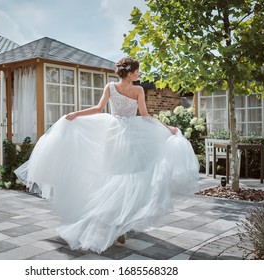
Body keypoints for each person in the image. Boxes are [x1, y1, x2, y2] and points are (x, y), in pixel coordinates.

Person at [15, 57, 200, 254]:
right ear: (129, 73)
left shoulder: (111, 87)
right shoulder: (138, 90)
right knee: (126, 178)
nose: (139, 74)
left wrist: (76, 114)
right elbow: (145, 116)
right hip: (130, 137)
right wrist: (166, 127)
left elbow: (98, 109)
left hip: (112, 134)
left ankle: (115, 223)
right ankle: (120, 224)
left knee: (112, 177)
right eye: (137, 71)